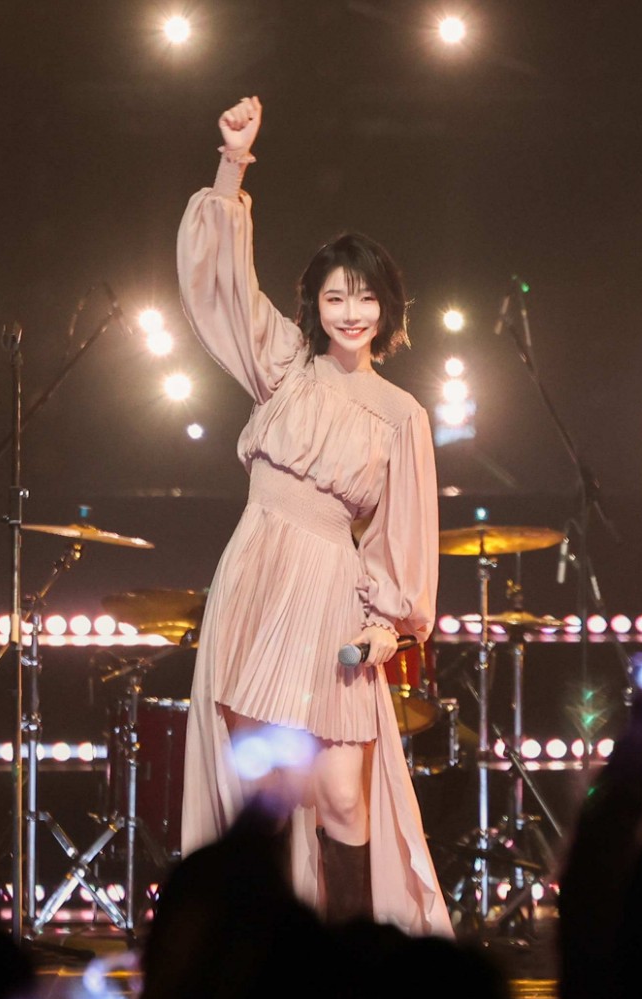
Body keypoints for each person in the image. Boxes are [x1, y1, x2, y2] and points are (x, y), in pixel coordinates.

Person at [176, 96, 451, 935]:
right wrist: (232, 161)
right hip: (257, 577)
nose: (350, 311)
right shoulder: (285, 368)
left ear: (388, 308)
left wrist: (389, 629)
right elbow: (222, 287)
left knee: (342, 799)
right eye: (335, 297)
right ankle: (256, 968)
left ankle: (354, 974)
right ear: (316, 305)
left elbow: (404, 541)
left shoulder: (401, 414)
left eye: (364, 297)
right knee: (259, 792)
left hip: (332, 594)